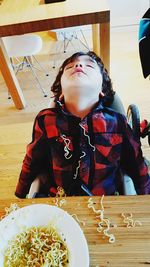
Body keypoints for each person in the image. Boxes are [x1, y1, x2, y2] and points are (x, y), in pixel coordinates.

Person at [15, 51, 150, 198]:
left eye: (89, 66)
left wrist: (146, 196)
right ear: (60, 93)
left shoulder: (117, 122)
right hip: (60, 202)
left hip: (105, 203)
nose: (78, 65)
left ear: (101, 91)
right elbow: (32, 160)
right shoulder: (46, 121)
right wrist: (20, 194)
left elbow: (136, 164)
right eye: (69, 67)